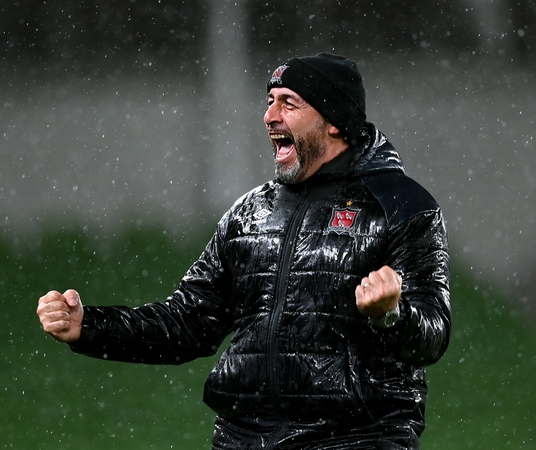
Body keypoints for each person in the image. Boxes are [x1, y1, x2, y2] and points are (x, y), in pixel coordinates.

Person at [37, 52, 451, 449]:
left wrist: (392, 315)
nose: (270, 116)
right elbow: (187, 323)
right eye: (270, 102)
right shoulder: (251, 212)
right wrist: (89, 325)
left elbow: (432, 338)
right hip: (243, 438)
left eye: (289, 103)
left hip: (357, 440)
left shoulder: (402, 206)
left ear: (334, 122)